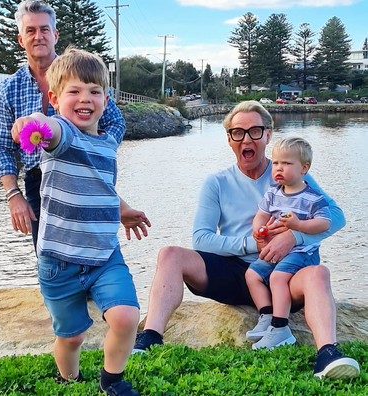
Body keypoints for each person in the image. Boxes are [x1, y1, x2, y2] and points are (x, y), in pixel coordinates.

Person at [132, 100, 360, 380]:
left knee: (319, 273)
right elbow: (201, 239)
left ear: (268, 135)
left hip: (285, 275)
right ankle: (150, 337)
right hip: (234, 272)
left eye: (255, 131)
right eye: (238, 133)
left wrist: (294, 236)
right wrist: (252, 245)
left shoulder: (289, 173)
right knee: (169, 254)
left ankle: (327, 353)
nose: (246, 139)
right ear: (229, 139)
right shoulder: (216, 182)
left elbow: (336, 217)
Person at [11, 47, 140, 395]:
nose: (85, 98)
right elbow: (50, 130)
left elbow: (101, 182)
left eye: (94, 91)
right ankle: (68, 378)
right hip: (59, 262)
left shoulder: (110, 139)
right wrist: (33, 124)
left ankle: (112, 379)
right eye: (74, 91)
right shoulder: (62, 137)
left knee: (126, 317)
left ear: (106, 98)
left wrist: (122, 210)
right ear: (54, 98)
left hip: (104, 255)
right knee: (71, 338)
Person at [0, 0, 149, 250]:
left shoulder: (79, 73)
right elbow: (1, 148)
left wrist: (95, 150)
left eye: (44, 29)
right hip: (37, 182)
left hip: (85, 170)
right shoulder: (7, 90)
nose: (38, 36)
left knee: (97, 250)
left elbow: (116, 122)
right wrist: (13, 194)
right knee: (49, 255)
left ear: (55, 35)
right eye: (30, 31)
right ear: (21, 39)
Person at [245, 137, 332, 350]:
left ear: (304, 168)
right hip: (276, 250)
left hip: (302, 252)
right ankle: (266, 315)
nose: (279, 168)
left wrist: (299, 225)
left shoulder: (313, 197)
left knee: (277, 278)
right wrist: (258, 230)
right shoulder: (273, 193)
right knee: (252, 275)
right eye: (275, 163)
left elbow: (324, 223)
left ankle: (280, 328)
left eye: (286, 163)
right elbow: (260, 215)